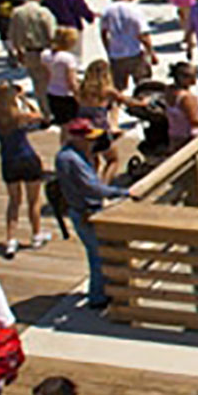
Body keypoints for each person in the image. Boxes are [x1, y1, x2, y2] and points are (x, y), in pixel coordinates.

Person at [54, 117, 129, 311]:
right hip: (85, 211)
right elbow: (91, 188)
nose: (93, 142)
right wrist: (122, 193)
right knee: (98, 255)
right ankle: (98, 297)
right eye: (89, 138)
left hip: (84, 210)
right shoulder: (71, 159)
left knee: (98, 253)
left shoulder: (73, 155)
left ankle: (102, 291)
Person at [0, 81, 47, 258]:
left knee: (14, 202)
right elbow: (41, 116)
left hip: (9, 160)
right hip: (28, 158)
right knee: (33, 201)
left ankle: (11, 239)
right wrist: (23, 98)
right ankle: (36, 234)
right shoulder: (20, 116)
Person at [99, 0, 154, 92]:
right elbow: (143, 35)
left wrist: (108, 49)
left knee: (118, 89)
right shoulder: (135, 10)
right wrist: (151, 53)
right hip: (135, 53)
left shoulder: (108, 10)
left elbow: (104, 33)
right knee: (144, 86)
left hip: (116, 55)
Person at [5, 0, 55, 111]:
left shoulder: (17, 13)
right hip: (45, 52)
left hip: (28, 52)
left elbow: (12, 35)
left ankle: (45, 113)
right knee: (52, 83)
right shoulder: (43, 12)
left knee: (38, 85)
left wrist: (18, 51)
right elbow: (52, 34)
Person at [42, 25, 81, 126]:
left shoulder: (46, 55)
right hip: (66, 95)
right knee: (72, 125)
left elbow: (46, 75)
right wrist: (79, 95)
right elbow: (71, 81)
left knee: (63, 126)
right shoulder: (68, 58)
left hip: (52, 92)